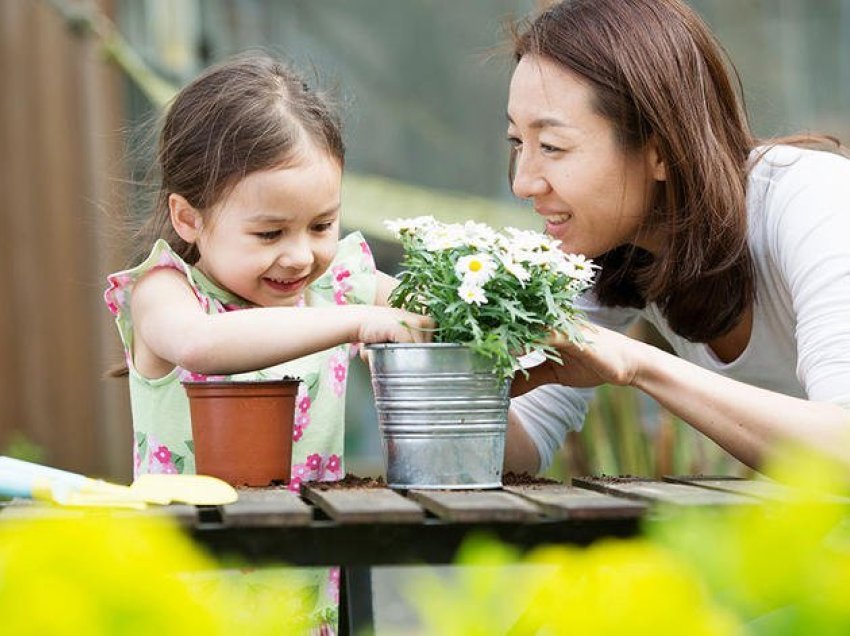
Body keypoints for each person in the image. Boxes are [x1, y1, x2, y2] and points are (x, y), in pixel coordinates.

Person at [104, 52, 431, 632]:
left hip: (304, 581)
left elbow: (434, 308)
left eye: (321, 225)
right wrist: (355, 323)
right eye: (269, 233)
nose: (301, 255)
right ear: (188, 218)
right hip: (187, 585)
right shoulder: (165, 293)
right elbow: (202, 345)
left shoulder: (338, 285)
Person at [503, 0, 850, 476]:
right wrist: (400, 346)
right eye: (518, 142)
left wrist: (638, 366)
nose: (524, 182)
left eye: (552, 147)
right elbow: (521, 442)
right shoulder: (611, 251)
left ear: (660, 150)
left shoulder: (815, 199)